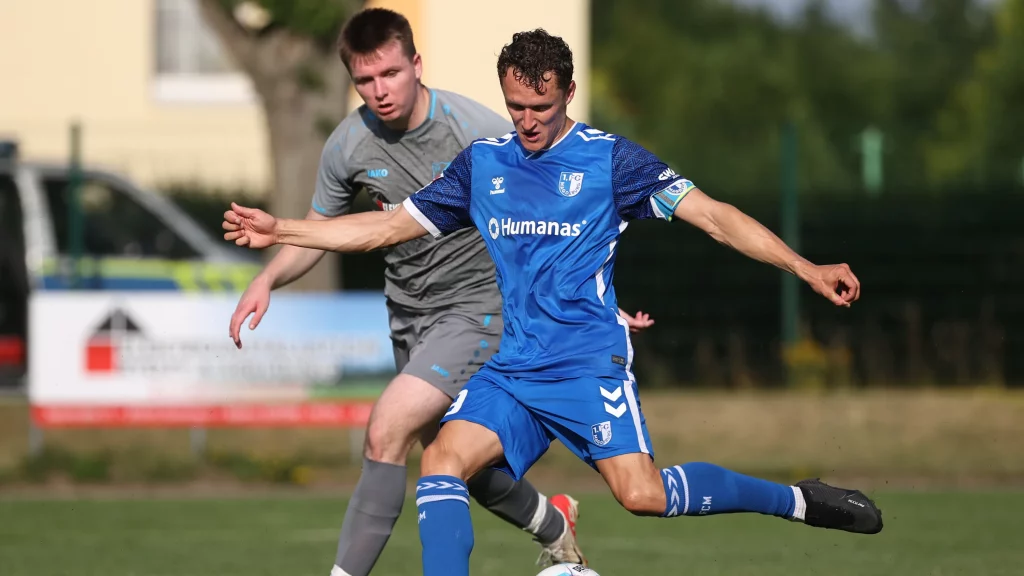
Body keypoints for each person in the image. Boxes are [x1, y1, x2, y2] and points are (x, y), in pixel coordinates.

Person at [222, 28, 882, 576]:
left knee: (642, 496)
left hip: (587, 365)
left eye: (541, 108)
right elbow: (385, 227)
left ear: (567, 92)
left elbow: (715, 217)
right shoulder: (484, 164)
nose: (528, 122)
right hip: (512, 368)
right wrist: (282, 230)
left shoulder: (611, 162)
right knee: (442, 461)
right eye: (516, 107)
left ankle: (796, 499)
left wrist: (805, 266)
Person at [225, 10, 657, 576]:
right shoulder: (348, 144)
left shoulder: (476, 132)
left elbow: (556, 222)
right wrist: (266, 278)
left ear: (416, 64)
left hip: (480, 312)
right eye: (364, 80)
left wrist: (588, 305)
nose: (379, 90)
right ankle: (555, 525)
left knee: (386, 429)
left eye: (390, 73)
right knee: (458, 468)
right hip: (409, 319)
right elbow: (320, 229)